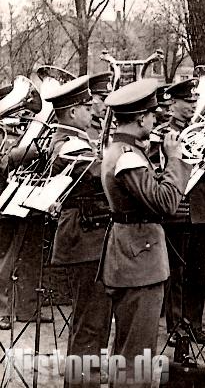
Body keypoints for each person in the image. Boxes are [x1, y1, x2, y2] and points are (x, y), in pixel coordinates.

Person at [100, 78, 191, 388]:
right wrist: (175, 159)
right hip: (138, 262)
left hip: (132, 256)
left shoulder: (121, 149)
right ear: (140, 118)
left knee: (127, 350)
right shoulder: (127, 156)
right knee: (136, 353)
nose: (157, 119)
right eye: (153, 114)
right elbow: (165, 202)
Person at [45, 75, 113, 388]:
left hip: (87, 239)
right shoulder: (69, 145)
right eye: (87, 107)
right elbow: (103, 174)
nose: (93, 111)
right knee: (91, 323)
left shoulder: (73, 140)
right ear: (73, 113)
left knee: (90, 322)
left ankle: (82, 382)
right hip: (84, 240)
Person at [158, 78, 205, 346]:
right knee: (176, 272)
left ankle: (195, 324)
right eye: (188, 102)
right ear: (173, 104)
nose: (193, 106)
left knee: (198, 273)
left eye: (195, 101)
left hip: (201, 209)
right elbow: (161, 171)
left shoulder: (202, 131)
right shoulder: (163, 135)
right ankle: (176, 326)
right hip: (178, 209)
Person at [86, 72, 113, 142]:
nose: (107, 104)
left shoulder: (111, 126)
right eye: (103, 99)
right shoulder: (84, 129)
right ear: (90, 99)